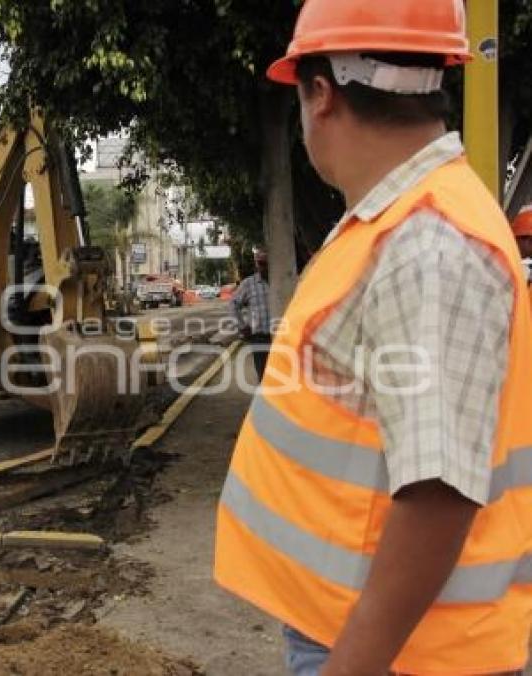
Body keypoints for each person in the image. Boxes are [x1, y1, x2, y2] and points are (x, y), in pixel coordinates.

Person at [215, 2, 532, 674]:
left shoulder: (429, 246)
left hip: (399, 655)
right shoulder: (393, 222)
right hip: (361, 631)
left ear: (320, 95)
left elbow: (440, 490)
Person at [230, 247, 271, 379]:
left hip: (283, 336)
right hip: (259, 337)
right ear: (256, 264)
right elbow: (233, 304)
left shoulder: (283, 279)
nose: (264, 267)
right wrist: (242, 326)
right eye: (261, 263)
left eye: (266, 263)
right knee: (264, 377)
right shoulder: (248, 284)